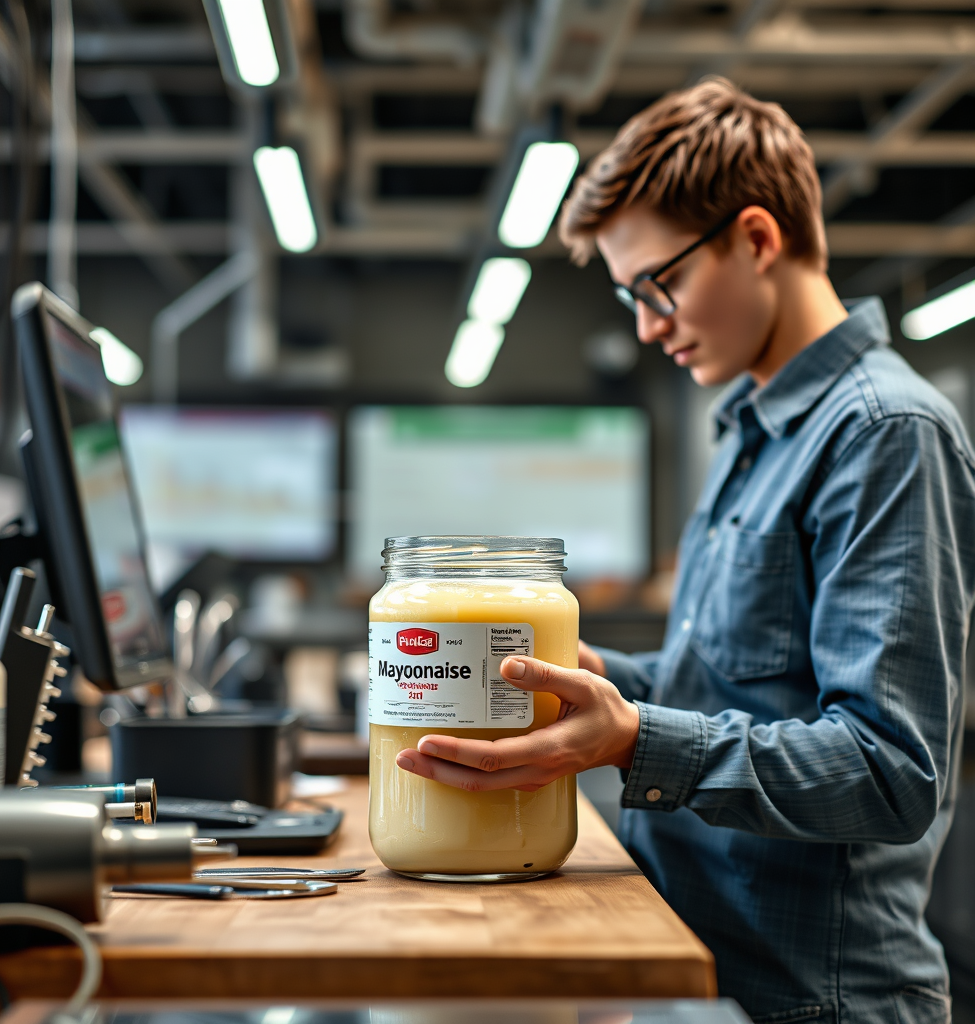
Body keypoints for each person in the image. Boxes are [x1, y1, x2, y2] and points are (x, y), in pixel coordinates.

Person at [393, 78, 975, 1024]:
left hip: (808, 999)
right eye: (632, 295)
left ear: (756, 237)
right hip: (696, 960)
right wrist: (587, 676)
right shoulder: (752, 424)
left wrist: (630, 739)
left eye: (659, 284)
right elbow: (730, 686)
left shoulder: (884, 432)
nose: (647, 323)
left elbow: (888, 772)